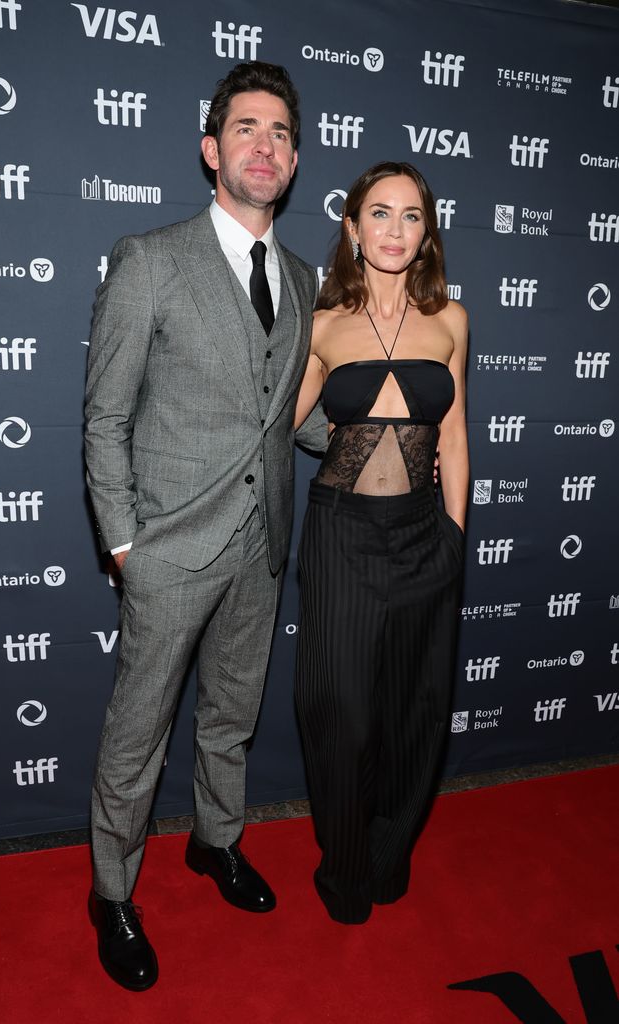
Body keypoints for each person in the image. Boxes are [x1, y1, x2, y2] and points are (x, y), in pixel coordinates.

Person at [84, 61, 326, 990]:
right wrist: (125, 542)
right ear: (210, 148)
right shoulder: (150, 259)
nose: (263, 147)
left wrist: (373, 429)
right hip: (169, 548)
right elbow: (104, 416)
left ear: (294, 161)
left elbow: (288, 415)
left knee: (231, 715)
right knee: (138, 729)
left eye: (279, 135)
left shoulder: (302, 280)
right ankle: (111, 891)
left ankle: (215, 843)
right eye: (246, 129)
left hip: (263, 544)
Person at [294, 161, 468, 925]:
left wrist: (457, 535)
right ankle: (345, 868)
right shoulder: (324, 324)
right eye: (380, 213)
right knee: (340, 710)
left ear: (426, 232)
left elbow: (456, 436)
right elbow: (281, 423)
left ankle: (389, 856)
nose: (394, 230)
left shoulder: (451, 321)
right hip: (342, 535)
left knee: (415, 709)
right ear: (352, 226)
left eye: (410, 216)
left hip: (425, 536)